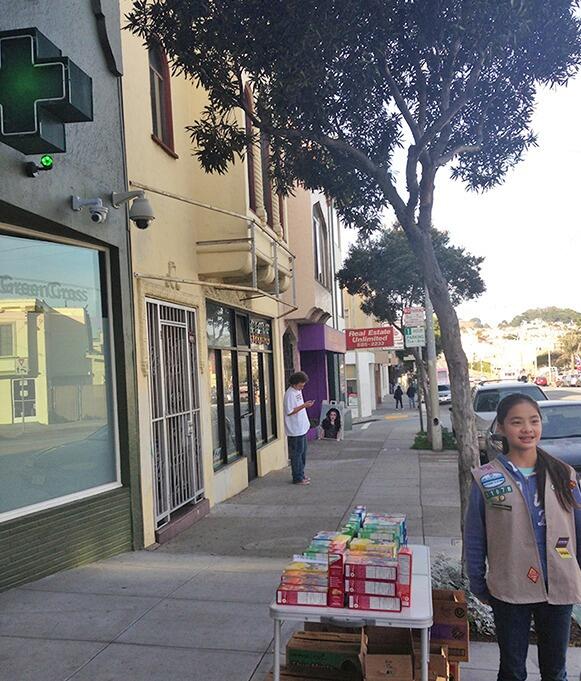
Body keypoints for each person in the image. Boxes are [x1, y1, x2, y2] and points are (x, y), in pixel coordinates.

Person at [465, 393, 581, 681]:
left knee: (555, 671)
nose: (527, 429)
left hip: (558, 587)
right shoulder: (488, 478)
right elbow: (476, 535)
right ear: (501, 428)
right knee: (513, 670)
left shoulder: (562, 472)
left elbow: (578, 527)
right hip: (510, 587)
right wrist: (478, 582)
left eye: (533, 421)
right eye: (517, 422)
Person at [283, 371, 314, 485]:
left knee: (302, 453)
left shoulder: (297, 391)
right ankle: (297, 477)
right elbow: (290, 411)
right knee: (297, 454)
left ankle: (301, 473)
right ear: (295, 384)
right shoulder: (290, 394)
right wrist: (304, 405)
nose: (302, 387)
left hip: (302, 427)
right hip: (295, 429)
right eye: (301, 385)